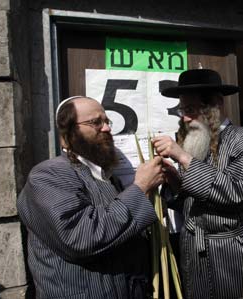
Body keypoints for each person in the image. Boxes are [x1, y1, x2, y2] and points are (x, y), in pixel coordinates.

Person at [17, 96, 164, 299]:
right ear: (67, 132)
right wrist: (141, 187)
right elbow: (81, 237)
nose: (106, 129)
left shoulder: (108, 178)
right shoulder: (48, 175)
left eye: (106, 122)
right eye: (96, 122)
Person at [152, 68, 243, 299]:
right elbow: (193, 203)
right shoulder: (195, 140)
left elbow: (236, 192)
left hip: (233, 254)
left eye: (191, 109)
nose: (184, 117)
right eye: (182, 110)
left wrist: (183, 157)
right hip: (194, 254)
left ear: (215, 104)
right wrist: (176, 183)